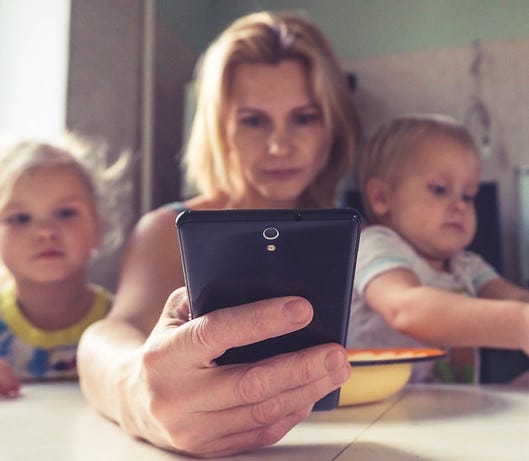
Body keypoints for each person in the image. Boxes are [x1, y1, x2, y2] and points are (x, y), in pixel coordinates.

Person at [77, 10, 360, 458]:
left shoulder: (360, 237)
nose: (279, 145)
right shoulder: (165, 230)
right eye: (253, 120)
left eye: (303, 118)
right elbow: (107, 337)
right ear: (219, 127)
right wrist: (136, 392)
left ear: (331, 126)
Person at [347, 113, 529, 384]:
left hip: (449, 407)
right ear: (381, 197)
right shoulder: (372, 245)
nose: (460, 205)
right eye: (440, 189)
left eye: (468, 195)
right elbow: (406, 309)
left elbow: (513, 299)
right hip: (379, 413)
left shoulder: (466, 264)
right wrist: (520, 323)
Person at [0, 134, 131, 397]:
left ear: (98, 227)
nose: (46, 232)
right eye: (20, 218)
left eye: (65, 213)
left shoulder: (124, 322)